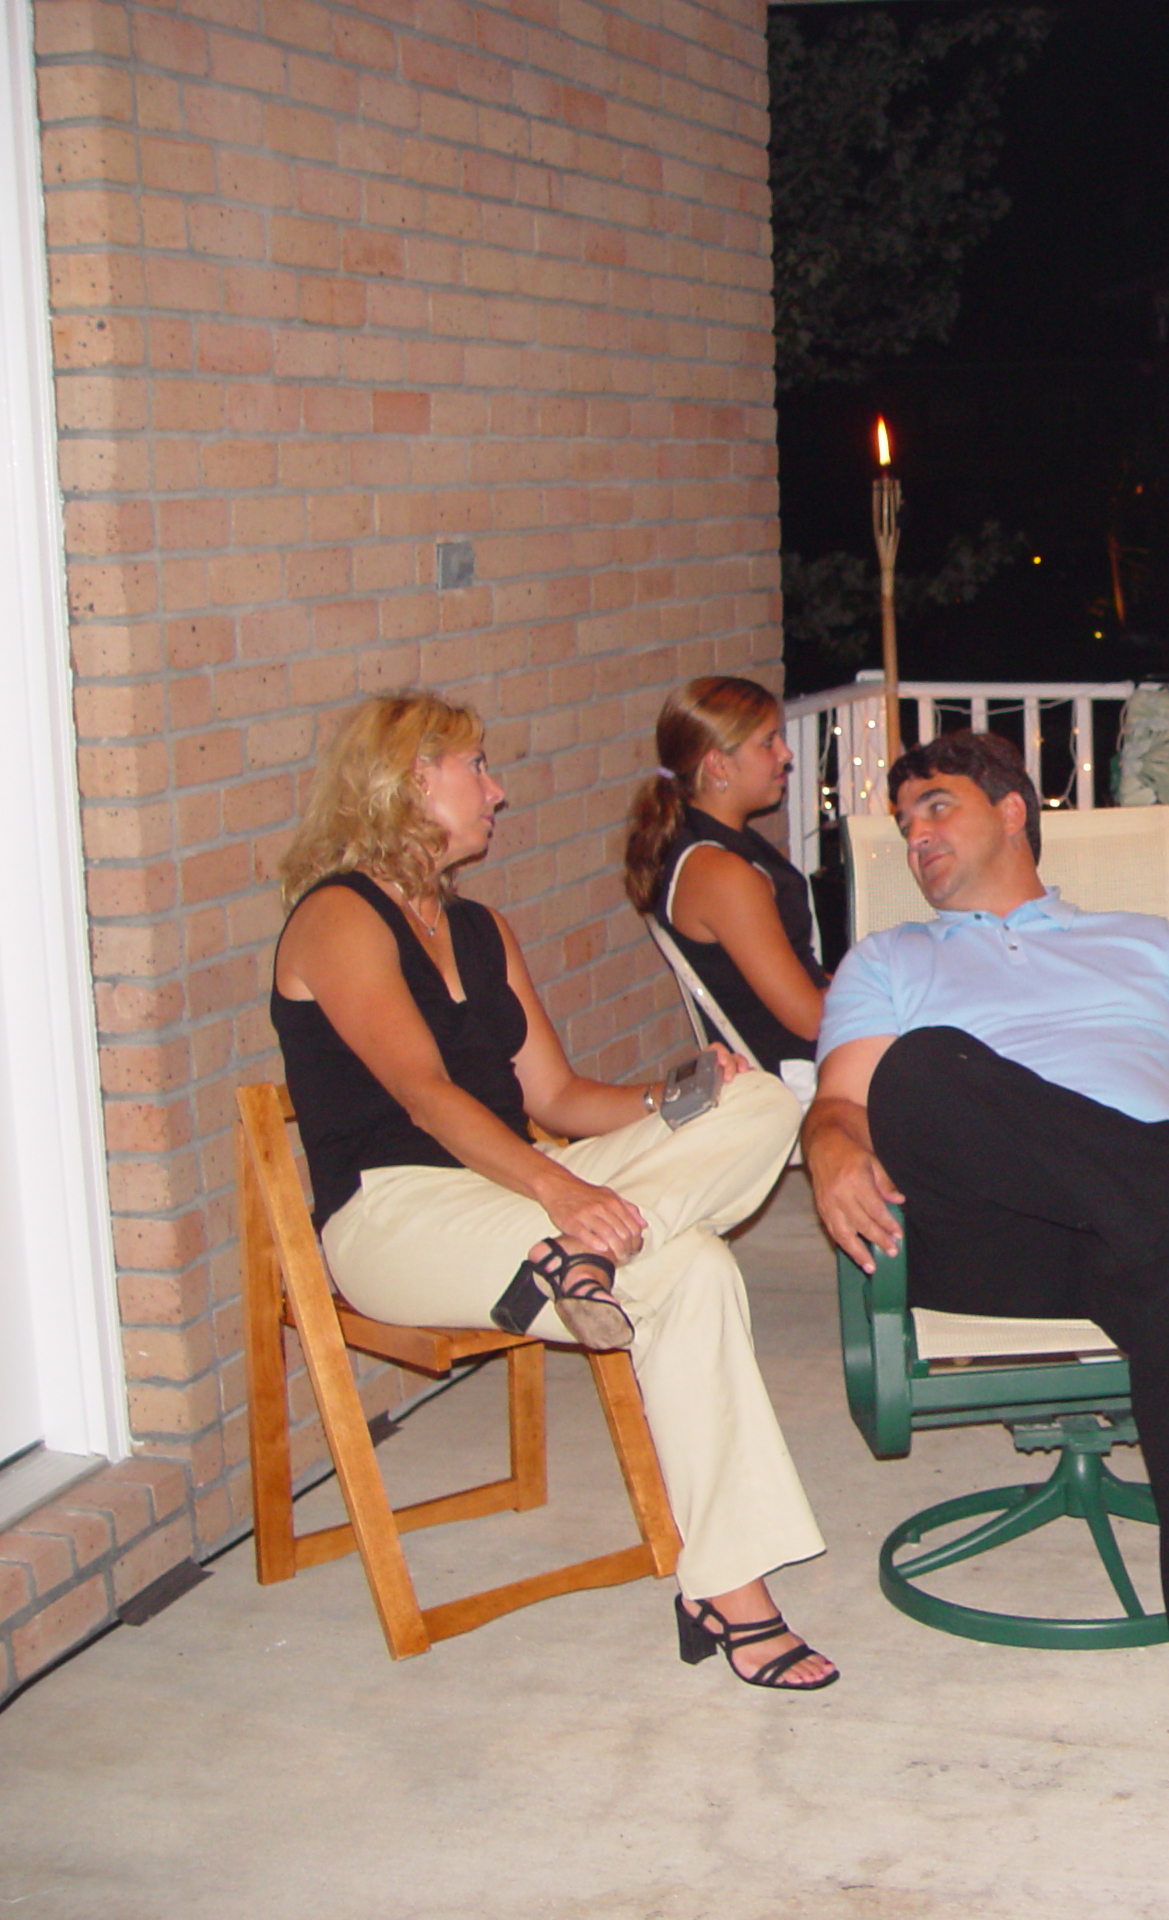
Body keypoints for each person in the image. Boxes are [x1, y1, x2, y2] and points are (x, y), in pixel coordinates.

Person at [800, 731, 1169, 1805]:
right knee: (925, 1067)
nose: (916, 835)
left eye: (937, 807)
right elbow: (845, 1103)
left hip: (1142, 1230)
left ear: (1012, 811)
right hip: (985, 1233)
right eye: (905, 821)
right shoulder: (889, 959)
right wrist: (829, 1146)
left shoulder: (1146, 943)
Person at [270, 691, 835, 1691]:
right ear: (411, 781)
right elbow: (426, 1094)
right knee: (691, 1265)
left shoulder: (480, 929)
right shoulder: (337, 915)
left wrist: (680, 1095)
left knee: (762, 1106)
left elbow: (561, 1098)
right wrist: (562, 1194)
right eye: (478, 769)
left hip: (532, 1211)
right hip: (398, 1215)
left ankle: (721, 1578)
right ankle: (732, 1591)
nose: (498, 791)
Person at [623, 677, 828, 1095]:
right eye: (768, 742)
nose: (785, 754)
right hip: (794, 1075)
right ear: (717, 765)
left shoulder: (719, 843)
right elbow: (809, 1020)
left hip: (813, 1049)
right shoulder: (720, 873)